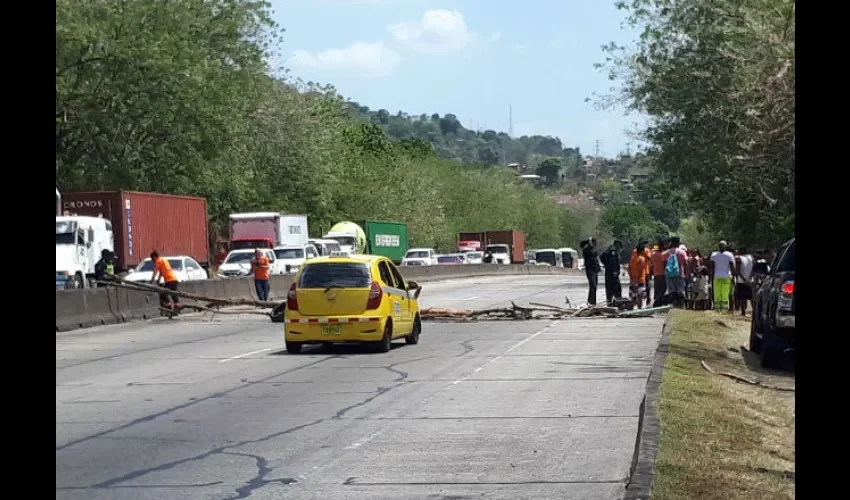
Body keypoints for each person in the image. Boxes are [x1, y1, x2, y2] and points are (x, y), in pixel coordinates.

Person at [708, 241, 736, 313]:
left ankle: (717, 310)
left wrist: (711, 278)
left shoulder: (714, 254)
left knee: (717, 293)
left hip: (717, 276)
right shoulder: (729, 254)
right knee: (725, 294)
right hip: (726, 276)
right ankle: (724, 310)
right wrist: (733, 277)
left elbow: (712, 267)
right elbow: (732, 266)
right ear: (726, 246)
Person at [662, 236, 688, 308]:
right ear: (678, 243)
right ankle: (682, 306)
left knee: (672, 292)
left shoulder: (665, 253)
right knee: (680, 291)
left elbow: (663, 264)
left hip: (669, 276)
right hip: (679, 275)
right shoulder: (681, 252)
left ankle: (674, 306)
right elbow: (686, 263)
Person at [600, 239, 624, 304]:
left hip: (608, 274)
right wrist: (614, 271)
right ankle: (617, 305)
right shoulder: (613, 251)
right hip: (613, 275)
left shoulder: (609, 251)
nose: (619, 248)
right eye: (619, 246)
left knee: (609, 291)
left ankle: (610, 304)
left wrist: (606, 265)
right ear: (617, 245)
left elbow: (602, 257)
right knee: (616, 291)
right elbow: (612, 262)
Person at [628, 243, 649, 309]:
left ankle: (632, 309)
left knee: (633, 297)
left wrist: (632, 278)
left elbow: (628, 269)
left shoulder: (632, 259)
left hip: (633, 280)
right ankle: (640, 309)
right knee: (640, 297)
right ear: (642, 251)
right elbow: (642, 269)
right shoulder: (642, 259)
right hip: (640, 280)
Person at [580, 238, 601, 305]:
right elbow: (591, 259)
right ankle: (590, 302)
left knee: (594, 287)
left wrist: (598, 267)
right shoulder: (586, 250)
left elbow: (596, 260)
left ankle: (592, 302)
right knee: (593, 285)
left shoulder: (593, 250)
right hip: (590, 269)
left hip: (595, 269)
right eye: (594, 243)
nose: (595, 244)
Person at [735, 247, 754, 316]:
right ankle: (754, 311)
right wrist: (750, 277)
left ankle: (743, 312)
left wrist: (744, 279)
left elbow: (737, 271)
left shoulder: (738, 258)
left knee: (742, 297)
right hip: (750, 280)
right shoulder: (751, 257)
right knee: (751, 297)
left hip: (741, 281)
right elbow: (753, 268)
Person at [651, 238, 669, 306]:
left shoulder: (653, 254)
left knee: (657, 289)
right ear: (662, 245)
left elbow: (651, 264)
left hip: (656, 274)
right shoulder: (663, 254)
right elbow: (665, 264)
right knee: (662, 290)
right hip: (662, 274)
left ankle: (656, 302)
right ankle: (658, 303)